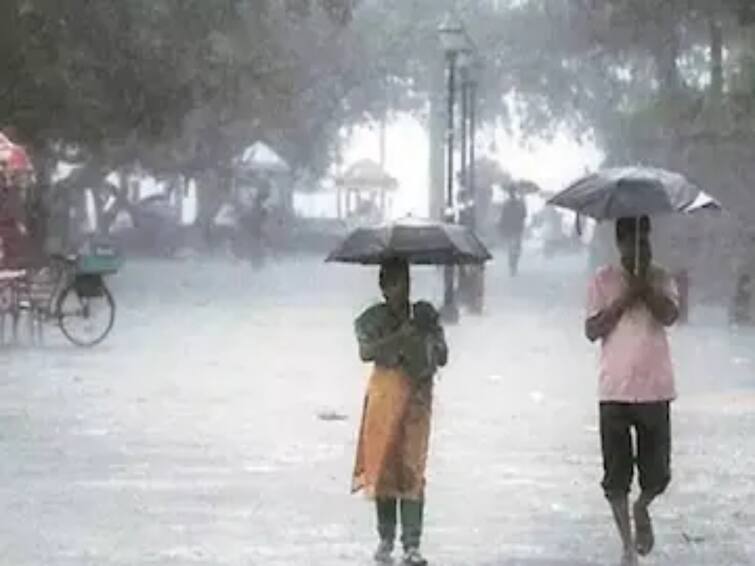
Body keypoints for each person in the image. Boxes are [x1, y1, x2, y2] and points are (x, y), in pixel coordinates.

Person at [585, 216, 680, 566]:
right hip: (614, 389)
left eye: (644, 242)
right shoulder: (603, 280)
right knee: (616, 475)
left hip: (655, 387)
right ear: (620, 243)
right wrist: (624, 299)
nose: (639, 248)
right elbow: (592, 330)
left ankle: (643, 507)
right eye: (632, 242)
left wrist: (646, 290)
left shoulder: (661, 277)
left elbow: (670, 315)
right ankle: (627, 546)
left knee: (658, 473)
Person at [352, 259, 448, 566]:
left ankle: (411, 544)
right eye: (393, 283)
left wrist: (428, 338)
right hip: (383, 400)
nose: (400, 289)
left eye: (404, 281)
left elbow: (443, 355)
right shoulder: (372, 319)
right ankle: (385, 538)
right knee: (382, 467)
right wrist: (399, 336)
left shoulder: (424, 315)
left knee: (412, 467)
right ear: (383, 287)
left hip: (417, 402)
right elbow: (366, 352)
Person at [498, 187, 527, 276]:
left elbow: (502, 217)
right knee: (515, 248)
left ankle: (512, 265)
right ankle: (513, 265)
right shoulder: (519, 203)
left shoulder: (506, 204)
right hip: (516, 229)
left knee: (512, 248)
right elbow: (524, 215)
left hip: (512, 229)